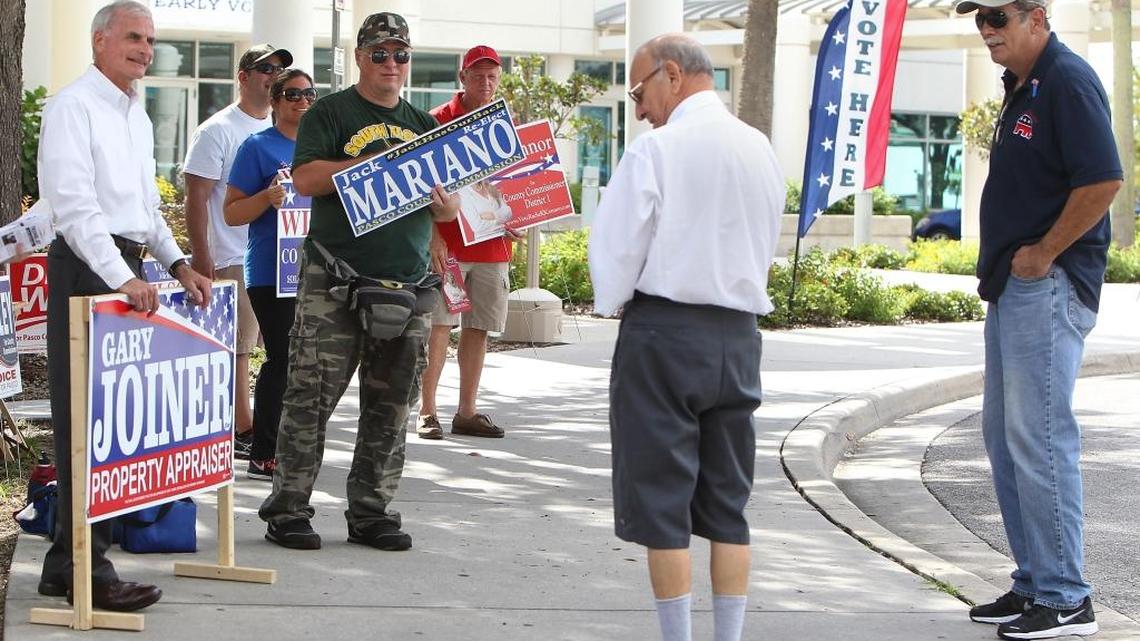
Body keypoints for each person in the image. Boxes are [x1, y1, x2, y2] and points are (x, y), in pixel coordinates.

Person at [587, 34, 783, 641]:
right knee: (729, 509)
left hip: (665, 333)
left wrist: (611, 304)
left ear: (672, 75)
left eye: (640, 90)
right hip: (738, 335)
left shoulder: (658, 151)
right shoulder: (760, 149)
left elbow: (616, 250)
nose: (640, 108)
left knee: (661, 507)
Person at [257, 12, 460, 551]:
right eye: (380, 54)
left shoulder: (424, 122)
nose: (391, 64)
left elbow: (451, 206)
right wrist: (364, 166)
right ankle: (289, 511)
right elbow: (303, 180)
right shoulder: (330, 112)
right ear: (360, 57)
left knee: (393, 406)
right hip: (336, 279)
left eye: (400, 54)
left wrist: (444, 206)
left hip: (408, 283)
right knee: (309, 399)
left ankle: (371, 511)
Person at [35, 0, 212, 612]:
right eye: (133, 37)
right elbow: (75, 209)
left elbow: (142, 212)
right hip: (88, 268)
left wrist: (180, 264)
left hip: (127, 267)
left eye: (150, 39)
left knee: (111, 423)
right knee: (83, 421)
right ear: (99, 41)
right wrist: (118, 278)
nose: (144, 48)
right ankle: (90, 570)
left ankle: (68, 564)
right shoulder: (72, 107)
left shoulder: (135, 113)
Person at [954, 1, 1122, 639]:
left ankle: (1067, 597)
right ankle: (1034, 583)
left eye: (998, 16)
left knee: (1041, 438)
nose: (989, 30)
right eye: (979, 21)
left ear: (1037, 17)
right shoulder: (1024, 86)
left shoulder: (1068, 81)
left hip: (1047, 285)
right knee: (1004, 438)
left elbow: (1102, 180)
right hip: (1014, 286)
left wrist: (1046, 252)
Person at [183, 42, 293, 460]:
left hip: (280, 258)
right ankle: (241, 428)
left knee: (277, 348)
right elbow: (196, 198)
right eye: (265, 68)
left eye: (279, 69)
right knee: (240, 347)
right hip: (232, 254)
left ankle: (260, 424)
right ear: (243, 77)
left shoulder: (283, 129)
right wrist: (201, 257)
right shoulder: (218, 130)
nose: (273, 75)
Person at [418, 44, 518, 441]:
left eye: (492, 75)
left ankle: (467, 411)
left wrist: (520, 217)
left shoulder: (506, 123)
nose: (486, 81)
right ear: (463, 78)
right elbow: (418, 188)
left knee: (479, 329)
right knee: (440, 326)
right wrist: (432, 237)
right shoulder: (437, 122)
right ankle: (427, 411)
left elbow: (518, 185)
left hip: (494, 247)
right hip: (451, 248)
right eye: (478, 75)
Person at [223, 69, 316, 481]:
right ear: (275, 101)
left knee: (307, 361)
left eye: (309, 94)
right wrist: (266, 196)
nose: (302, 101)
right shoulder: (257, 147)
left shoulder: (321, 147)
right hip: (270, 270)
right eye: (292, 94)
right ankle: (263, 453)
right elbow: (231, 211)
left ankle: (293, 447)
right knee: (281, 356)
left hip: (314, 267)